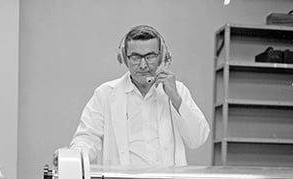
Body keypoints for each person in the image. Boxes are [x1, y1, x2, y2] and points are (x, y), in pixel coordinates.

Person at [69, 24, 210, 167]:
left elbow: (197, 139)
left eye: (150, 56)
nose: (143, 65)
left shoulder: (177, 90)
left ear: (161, 57)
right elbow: (87, 138)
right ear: (124, 58)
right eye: (136, 57)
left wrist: (176, 99)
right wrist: (72, 157)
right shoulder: (105, 94)